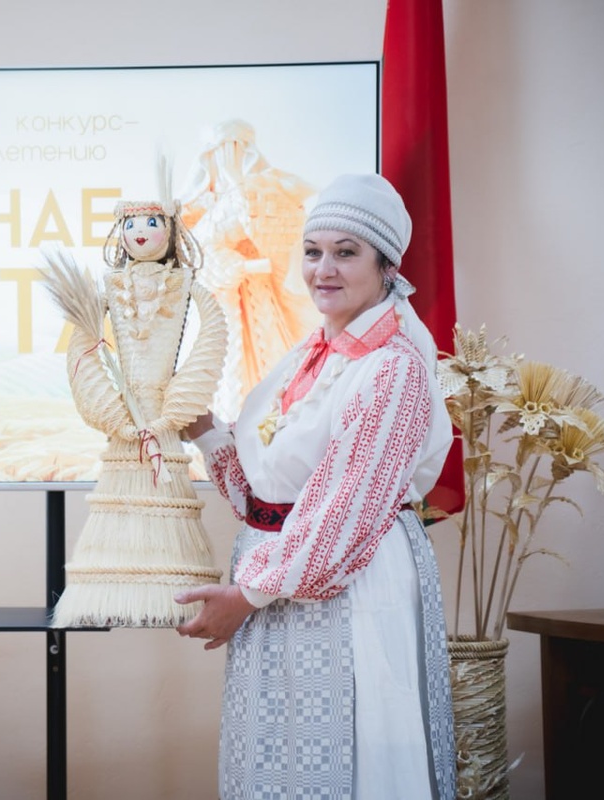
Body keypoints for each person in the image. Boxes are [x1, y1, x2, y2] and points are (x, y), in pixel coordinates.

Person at [176, 173, 456, 799]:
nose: (323, 270)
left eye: (346, 253)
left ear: (387, 267)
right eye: (312, 251)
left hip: (351, 585)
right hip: (281, 579)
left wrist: (246, 596)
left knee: (350, 755)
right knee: (285, 760)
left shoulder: (392, 368)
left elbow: (344, 511)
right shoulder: (315, 353)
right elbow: (266, 498)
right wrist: (205, 430)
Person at [42, 187, 228, 628]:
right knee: (123, 500)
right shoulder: (110, 288)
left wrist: (176, 407)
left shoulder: (187, 286)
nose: (140, 232)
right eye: (130, 224)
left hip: (162, 416)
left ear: (171, 230)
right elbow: (83, 344)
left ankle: (169, 597)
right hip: (128, 422)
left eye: (152, 222)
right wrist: (114, 415)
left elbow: (213, 331)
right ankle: (116, 597)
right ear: (119, 232)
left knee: (162, 504)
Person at [179, 120, 320, 422]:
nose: (229, 157)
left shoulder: (262, 193)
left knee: (267, 358)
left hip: (258, 293)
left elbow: (282, 244)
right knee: (220, 362)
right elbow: (196, 252)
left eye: (235, 149)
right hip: (217, 298)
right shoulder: (197, 206)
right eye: (223, 150)